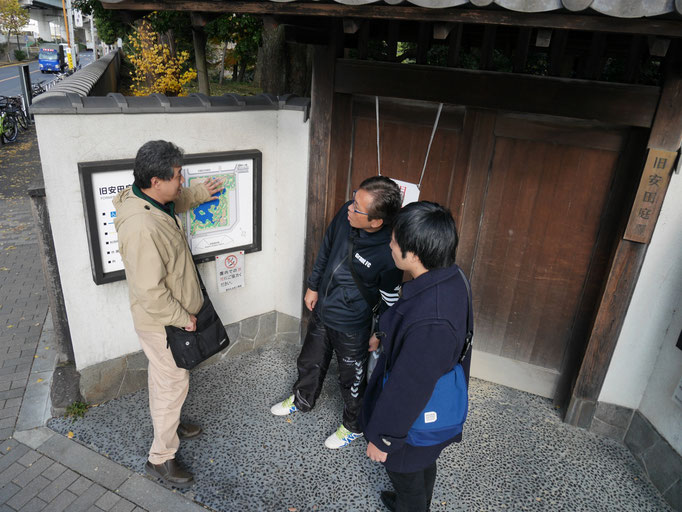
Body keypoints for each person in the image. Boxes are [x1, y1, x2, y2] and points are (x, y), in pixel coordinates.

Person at [113, 140, 224, 488]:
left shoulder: (151, 199)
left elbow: (177, 201)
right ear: (155, 181)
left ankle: (169, 423)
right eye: (177, 176)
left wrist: (200, 193)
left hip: (167, 318)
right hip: (164, 322)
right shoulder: (141, 227)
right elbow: (150, 291)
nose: (181, 181)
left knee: (163, 380)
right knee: (172, 383)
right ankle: (160, 458)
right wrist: (182, 317)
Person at [271, 176, 403, 449]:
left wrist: (380, 333)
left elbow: (391, 300)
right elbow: (326, 249)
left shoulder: (389, 253)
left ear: (376, 221)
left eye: (357, 208)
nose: (349, 209)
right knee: (310, 359)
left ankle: (353, 425)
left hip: (353, 323)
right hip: (323, 308)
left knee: (351, 378)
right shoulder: (347, 215)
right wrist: (313, 286)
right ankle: (301, 398)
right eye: (354, 198)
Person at [362, 201, 471, 512]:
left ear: (414, 253)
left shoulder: (431, 321)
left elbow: (409, 386)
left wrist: (384, 439)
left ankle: (412, 506)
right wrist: (385, 335)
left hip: (413, 419)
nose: (390, 244)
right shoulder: (451, 277)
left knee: (405, 469)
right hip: (430, 410)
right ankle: (416, 502)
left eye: (395, 240)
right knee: (424, 460)